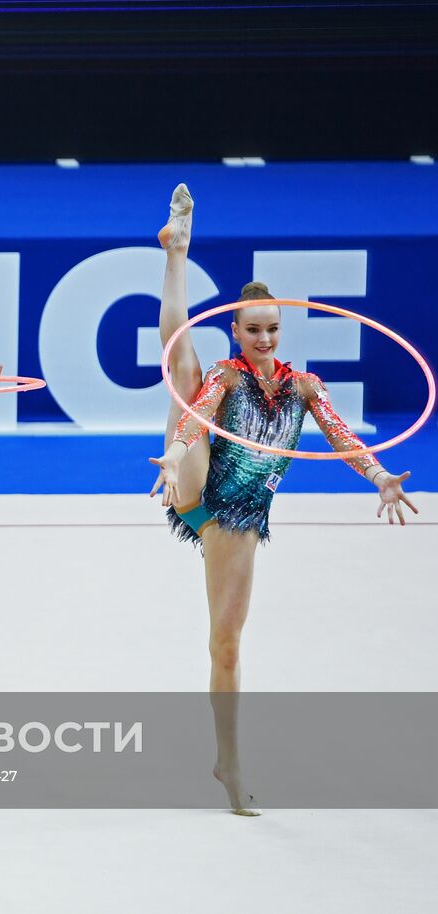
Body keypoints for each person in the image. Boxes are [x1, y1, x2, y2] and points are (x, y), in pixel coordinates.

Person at [149, 183, 418, 815]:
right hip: (195, 483)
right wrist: (176, 449)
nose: (264, 339)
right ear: (237, 332)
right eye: (253, 330)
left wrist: (379, 477)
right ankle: (176, 253)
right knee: (185, 374)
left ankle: (226, 760)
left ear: (281, 328)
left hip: (237, 519)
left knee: (226, 644)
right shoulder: (224, 374)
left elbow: (343, 435)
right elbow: (198, 414)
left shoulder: (304, 387)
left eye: (272, 329)